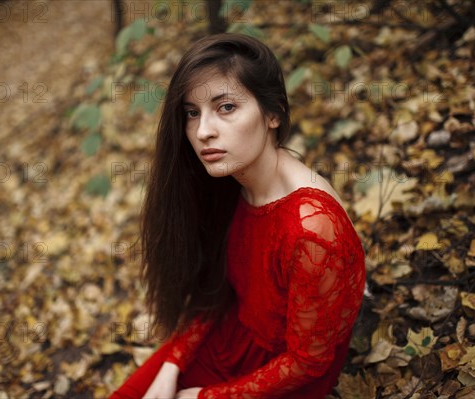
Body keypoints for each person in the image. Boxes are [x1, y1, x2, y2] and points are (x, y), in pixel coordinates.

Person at [108, 33, 366, 399]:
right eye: (192, 113)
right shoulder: (230, 180)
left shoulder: (312, 228)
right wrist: (172, 366)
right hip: (226, 332)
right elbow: (218, 291)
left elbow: (308, 361)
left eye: (226, 107)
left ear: (273, 112)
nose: (203, 131)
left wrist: (202, 397)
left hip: (282, 374)